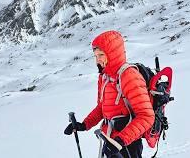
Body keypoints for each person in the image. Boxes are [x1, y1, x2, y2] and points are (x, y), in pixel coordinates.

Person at [64, 30, 154, 158]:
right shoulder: (104, 77)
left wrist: (120, 141)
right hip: (110, 140)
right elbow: (102, 108)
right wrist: (83, 125)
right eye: (95, 56)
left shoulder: (130, 76)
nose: (97, 60)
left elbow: (146, 116)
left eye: (101, 55)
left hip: (128, 145)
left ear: (113, 54)